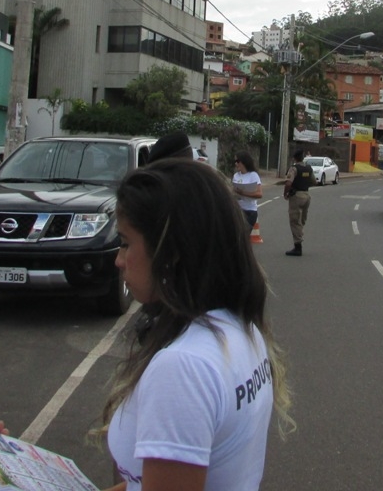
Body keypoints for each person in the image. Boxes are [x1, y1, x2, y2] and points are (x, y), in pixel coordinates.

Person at [101, 158, 293, 491]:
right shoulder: (240, 329)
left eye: (126, 242)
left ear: (171, 251)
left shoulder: (181, 368)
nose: (118, 259)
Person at [284, 149, 313, 256]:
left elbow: (288, 183)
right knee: (302, 220)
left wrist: (285, 193)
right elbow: (313, 181)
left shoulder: (294, 168)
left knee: (295, 221)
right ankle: (299, 234)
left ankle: (298, 247)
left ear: (295, 158)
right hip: (306, 195)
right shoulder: (309, 168)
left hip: (296, 196)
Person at [232, 151, 263, 233]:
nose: (236, 164)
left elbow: (259, 194)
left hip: (250, 211)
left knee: (243, 234)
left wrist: (243, 193)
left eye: (238, 161)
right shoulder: (236, 176)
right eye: (235, 161)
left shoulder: (253, 175)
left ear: (244, 161)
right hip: (238, 210)